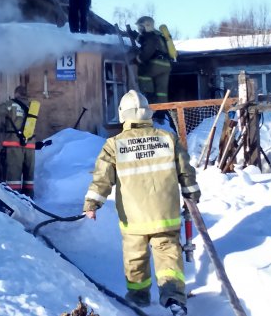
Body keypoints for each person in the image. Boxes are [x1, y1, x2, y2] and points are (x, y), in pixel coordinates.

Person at [82, 90, 201, 316]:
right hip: (166, 215)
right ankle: (174, 299)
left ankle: (138, 299)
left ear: (123, 115)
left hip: (133, 219)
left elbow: (102, 179)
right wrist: (192, 195)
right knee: (168, 258)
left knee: (135, 259)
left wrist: (91, 204)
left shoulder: (114, 145)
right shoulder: (167, 138)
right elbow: (186, 171)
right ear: (147, 113)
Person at [0, 85, 39, 198]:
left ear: (16, 93)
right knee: (29, 174)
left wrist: (6, 104)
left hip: (14, 143)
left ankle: (15, 198)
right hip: (30, 143)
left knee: (14, 173)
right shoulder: (32, 106)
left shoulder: (11, 104)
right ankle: (29, 197)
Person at [132, 16, 172, 105]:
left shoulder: (150, 36)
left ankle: (148, 98)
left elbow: (148, 51)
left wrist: (137, 60)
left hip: (156, 63)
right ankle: (161, 113)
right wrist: (134, 35)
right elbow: (142, 40)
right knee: (162, 92)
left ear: (147, 25)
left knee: (143, 73)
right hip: (166, 65)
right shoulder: (159, 35)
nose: (140, 30)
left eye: (141, 27)